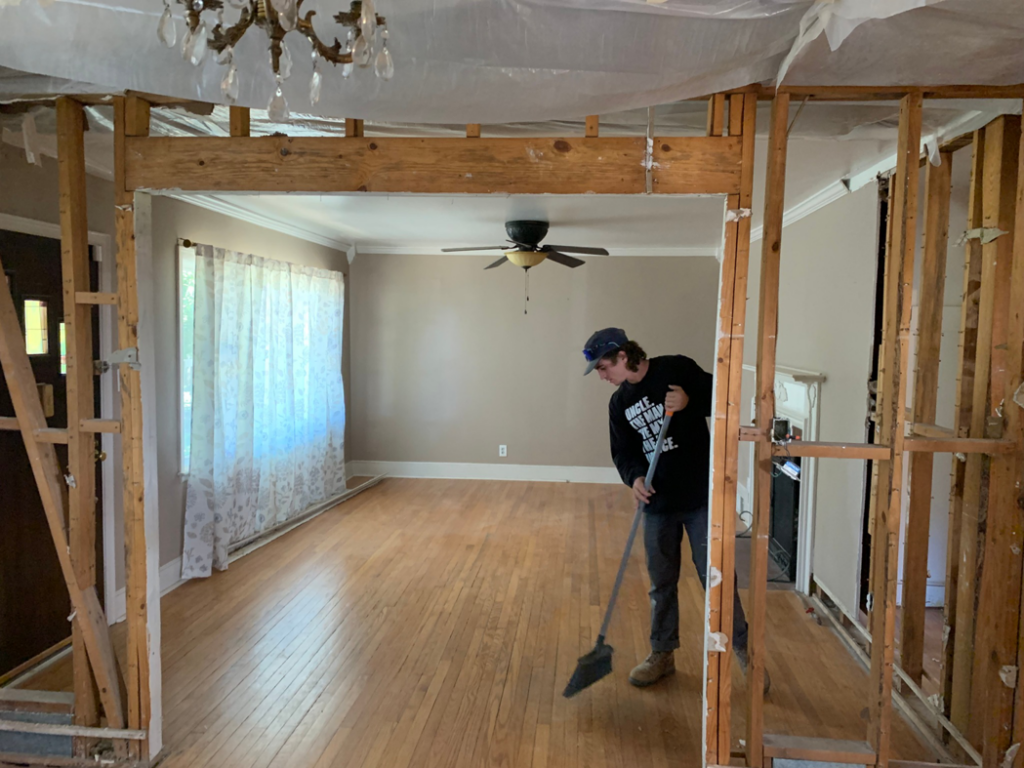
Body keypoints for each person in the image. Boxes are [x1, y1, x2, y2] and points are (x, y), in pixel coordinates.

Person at [583, 327, 768, 691]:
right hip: (657, 503)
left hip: (698, 496)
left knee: (716, 579)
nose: (603, 377)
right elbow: (623, 452)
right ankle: (661, 653)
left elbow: (724, 395)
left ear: (623, 356)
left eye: (604, 368)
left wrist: (690, 401)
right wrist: (635, 478)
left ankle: (745, 652)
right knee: (661, 583)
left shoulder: (675, 370)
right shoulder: (619, 404)